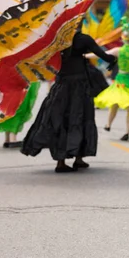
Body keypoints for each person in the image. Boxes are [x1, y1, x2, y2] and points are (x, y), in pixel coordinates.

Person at [21, 32, 117, 173]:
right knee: (81, 118)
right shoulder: (83, 39)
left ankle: (61, 162)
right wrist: (112, 59)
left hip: (61, 86)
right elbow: (104, 56)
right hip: (80, 86)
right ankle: (78, 159)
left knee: (61, 120)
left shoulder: (56, 38)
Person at [0, 82, 40, 149]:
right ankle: (12, 138)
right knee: (18, 109)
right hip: (18, 83)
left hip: (6, 84)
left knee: (8, 109)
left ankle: (8, 138)